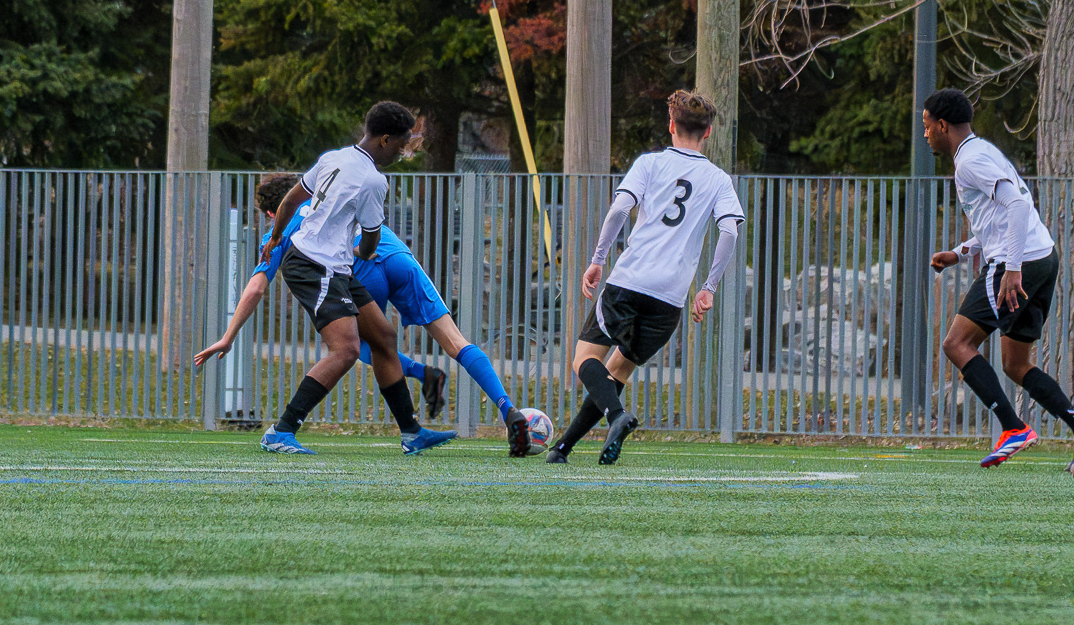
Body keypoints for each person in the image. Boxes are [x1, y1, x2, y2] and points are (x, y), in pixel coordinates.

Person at [196, 172, 535, 456]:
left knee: (354, 346)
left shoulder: (284, 230)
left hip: (355, 268)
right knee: (452, 342)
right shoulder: (329, 205)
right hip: (394, 255)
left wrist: (229, 336)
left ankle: (289, 428)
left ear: (274, 213)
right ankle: (506, 409)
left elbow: (256, 287)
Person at [241, 101, 456, 456]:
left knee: (384, 337)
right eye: (401, 145)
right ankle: (281, 431)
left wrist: (277, 235)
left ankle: (412, 432)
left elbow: (293, 198)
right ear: (385, 140)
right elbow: (371, 236)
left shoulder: (333, 157)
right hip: (315, 265)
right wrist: (364, 253)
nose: (403, 152)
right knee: (346, 350)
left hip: (330, 264)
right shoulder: (374, 180)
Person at [544, 90, 743, 465]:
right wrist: (708, 287)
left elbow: (621, 207)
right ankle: (562, 449)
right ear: (709, 132)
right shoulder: (718, 179)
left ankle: (617, 417)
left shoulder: (650, 164)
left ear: (671, 125)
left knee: (584, 360)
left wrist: (598, 259)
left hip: (630, 282)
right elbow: (730, 231)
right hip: (670, 297)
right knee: (617, 372)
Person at [924, 89, 1074, 468]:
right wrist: (962, 252)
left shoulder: (969, 162)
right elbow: (1000, 216)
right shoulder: (983, 151)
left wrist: (1011, 268)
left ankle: (1013, 428)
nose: (925, 135)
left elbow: (1019, 206)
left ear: (942, 126)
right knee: (1015, 363)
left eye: (926, 127)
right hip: (1043, 257)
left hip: (1019, 263)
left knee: (956, 344)